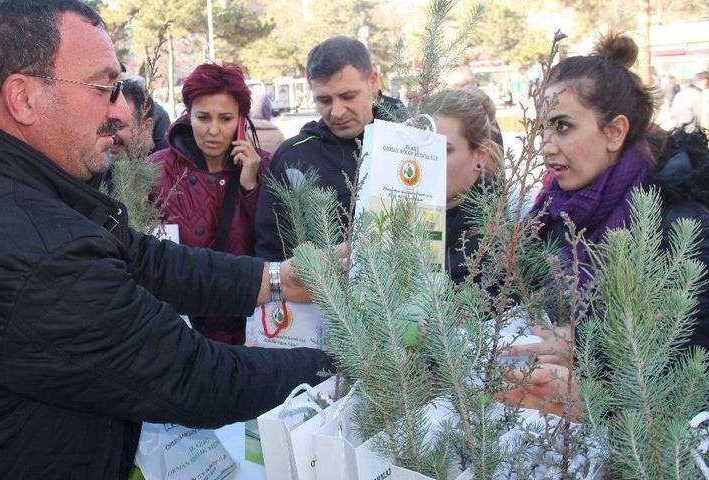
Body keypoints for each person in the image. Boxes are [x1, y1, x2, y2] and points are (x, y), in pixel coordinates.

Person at [0, 2, 334, 478]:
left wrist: (278, 278)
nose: (121, 111)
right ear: (24, 98)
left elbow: (144, 260)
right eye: (105, 88)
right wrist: (345, 365)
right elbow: (194, 377)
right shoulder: (35, 250)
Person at [499, 34, 709, 428]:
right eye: (541, 129)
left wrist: (592, 373)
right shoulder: (554, 214)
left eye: (562, 127)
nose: (544, 147)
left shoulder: (682, 231)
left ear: (614, 132)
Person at [255, 35, 407, 260]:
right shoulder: (293, 158)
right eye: (324, 100)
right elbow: (270, 253)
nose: (337, 111)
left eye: (348, 96)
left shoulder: (415, 141)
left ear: (373, 81)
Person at [150, 62, 269, 345]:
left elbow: (273, 243)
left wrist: (251, 187)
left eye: (225, 119)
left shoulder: (264, 166)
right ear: (188, 114)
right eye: (203, 117)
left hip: (246, 326)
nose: (213, 130)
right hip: (179, 329)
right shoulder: (156, 170)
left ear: (241, 119)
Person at [433, 88, 503, 284]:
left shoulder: (495, 245)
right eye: (423, 148)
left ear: (480, 155)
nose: (429, 160)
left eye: (445, 149)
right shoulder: (400, 214)